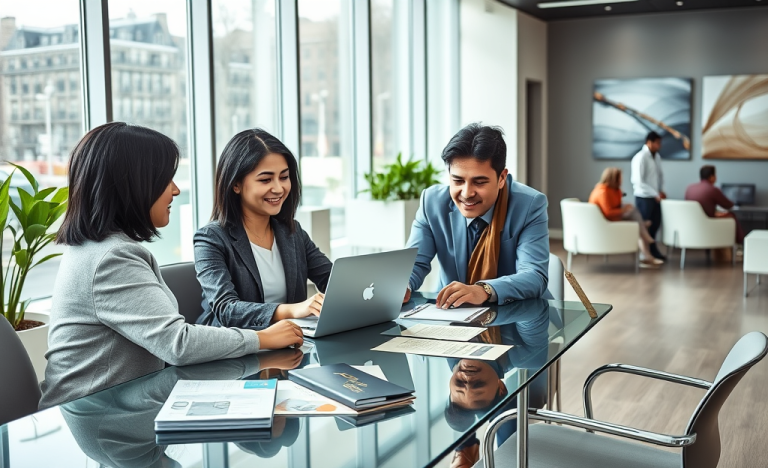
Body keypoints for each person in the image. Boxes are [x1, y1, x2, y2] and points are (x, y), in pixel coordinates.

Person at [40, 123, 302, 410]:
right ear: (134, 185)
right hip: (97, 415)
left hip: (122, 404)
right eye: (166, 180)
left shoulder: (98, 249)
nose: (176, 190)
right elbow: (178, 343)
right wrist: (263, 338)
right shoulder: (111, 258)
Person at [194, 128, 332, 330]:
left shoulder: (292, 232)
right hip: (234, 345)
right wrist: (293, 310)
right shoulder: (210, 239)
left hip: (291, 341)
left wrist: (375, 294)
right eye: (265, 180)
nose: (278, 188)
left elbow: (331, 279)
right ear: (236, 184)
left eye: (284, 177)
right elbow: (226, 310)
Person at [403, 123, 550, 307]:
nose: (467, 193)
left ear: (502, 178)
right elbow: (415, 263)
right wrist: (403, 285)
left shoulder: (529, 205)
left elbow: (534, 275)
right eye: (458, 181)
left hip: (516, 312)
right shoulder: (431, 202)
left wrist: (483, 290)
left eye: (479, 182)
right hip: (449, 311)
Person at [589, 167, 663, 266]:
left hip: (614, 218)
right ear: (614, 178)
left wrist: (624, 205)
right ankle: (645, 238)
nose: (622, 180)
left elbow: (616, 205)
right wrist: (624, 210)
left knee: (635, 216)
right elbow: (608, 212)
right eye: (620, 177)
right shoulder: (602, 191)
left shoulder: (614, 190)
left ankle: (646, 255)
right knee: (636, 218)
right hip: (607, 222)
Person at [685, 165, 745, 244]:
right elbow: (728, 205)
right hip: (708, 222)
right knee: (731, 216)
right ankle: (739, 243)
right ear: (712, 177)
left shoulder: (690, 188)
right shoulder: (712, 189)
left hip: (692, 223)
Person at [631, 131, 667, 260]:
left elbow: (659, 176)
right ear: (649, 142)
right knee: (645, 225)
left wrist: (660, 191)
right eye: (657, 143)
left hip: (655, 197)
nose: (659, 146)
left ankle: (652, 250)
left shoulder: (657, 157)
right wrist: (655, 193)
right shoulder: (640, 157)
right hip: (644, 197)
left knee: (655, 224)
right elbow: (638, 181)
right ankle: (644, 253)